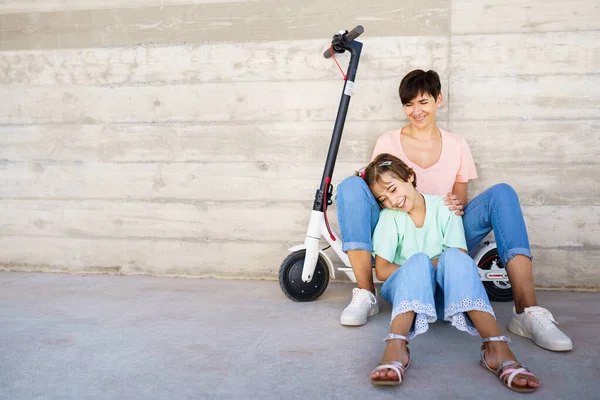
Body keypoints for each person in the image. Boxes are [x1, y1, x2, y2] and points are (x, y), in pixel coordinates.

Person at [335, 69, 572, 352]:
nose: (416, 110)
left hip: (444, 226)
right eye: (409, 104)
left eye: (423, 102)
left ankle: (527, 312)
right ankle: (366, 293)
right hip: (403, 231)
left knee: (503, 194)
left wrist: (450, 208)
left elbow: (459, 203)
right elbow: (381, 191)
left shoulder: (457, 144)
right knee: (351, 185)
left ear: (439, 100)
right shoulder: (387, 143)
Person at [364, 153, 539, 392]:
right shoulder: (389, 218)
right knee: (418, 262)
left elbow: (455, 258)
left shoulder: (444, 206)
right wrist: (423, 267)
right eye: (383, 199)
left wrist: (430, 265)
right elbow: (383, 270)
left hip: (449, 299)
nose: (392, 201)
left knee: (455, 258)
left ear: (410, 176)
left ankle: (496, 348)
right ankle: (396, 347)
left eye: (393, 189)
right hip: (408, 297)